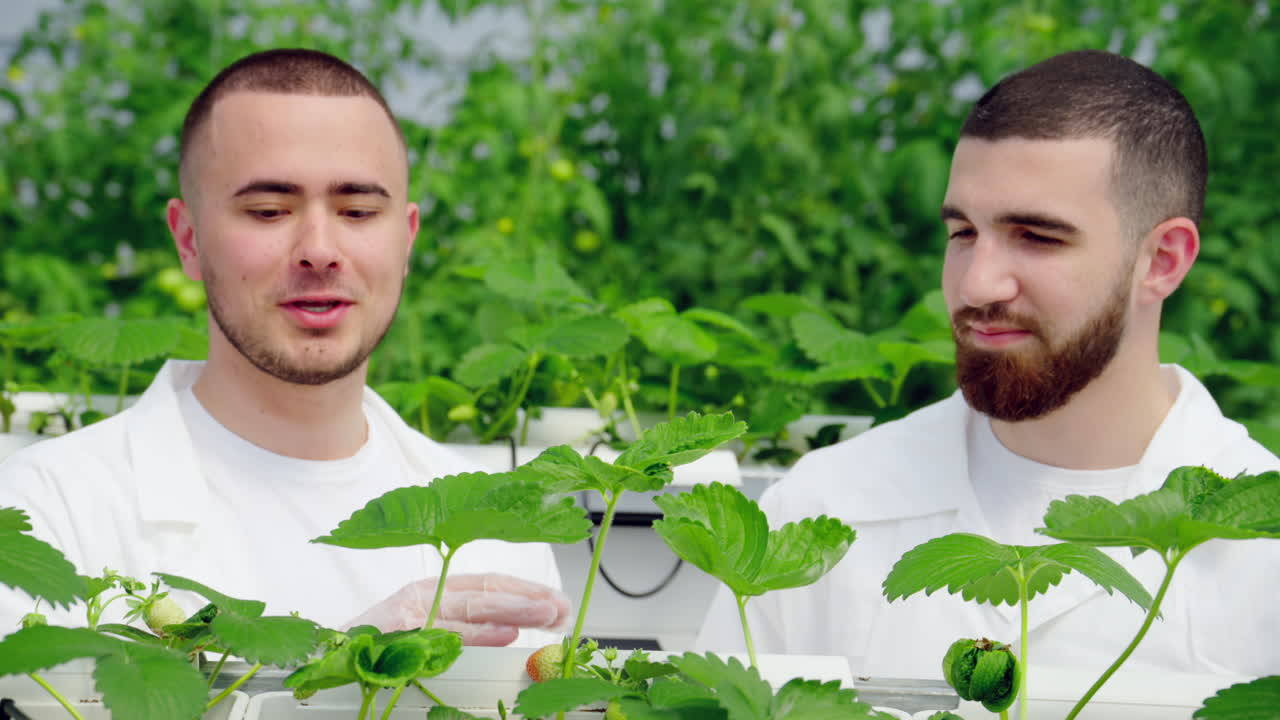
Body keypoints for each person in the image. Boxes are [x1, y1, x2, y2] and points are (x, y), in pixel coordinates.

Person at [697, 49, 1280, 682]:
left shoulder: (1263, 550)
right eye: (963, 232)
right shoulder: (821, 511)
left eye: (1037, 236)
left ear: (1163, 260)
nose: (977, 284)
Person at [0, 48, 569, 645]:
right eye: (270, 211)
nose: (319, 249)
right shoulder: (49, 512)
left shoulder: (499, 528)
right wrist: (341, 671)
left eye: (356, 210)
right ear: (188, 240)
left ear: (405, 241)